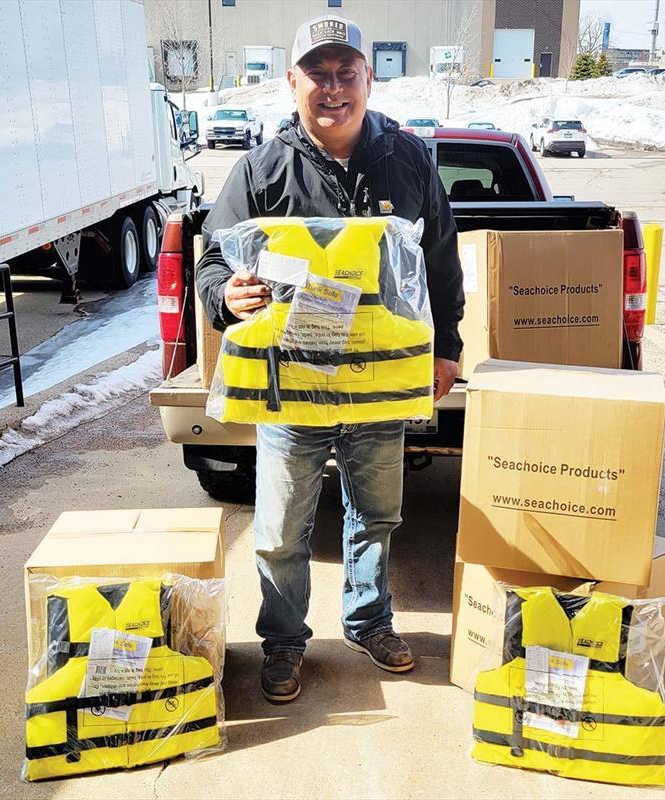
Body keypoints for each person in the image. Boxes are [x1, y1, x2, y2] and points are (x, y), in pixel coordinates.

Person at [197, 14, 463, 703]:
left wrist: (450, 348)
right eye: (318, 73)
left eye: (347, 72)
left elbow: (439, 261)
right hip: (292, 386)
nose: (333, 87)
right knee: (282, 528)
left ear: (368, 79)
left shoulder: (408, 160)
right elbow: (212, 260)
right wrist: (228, 292)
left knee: (376, 515)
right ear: (293, 83)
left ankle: (370, 622)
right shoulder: (261, 169)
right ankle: (284, 641)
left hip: (381, 383)